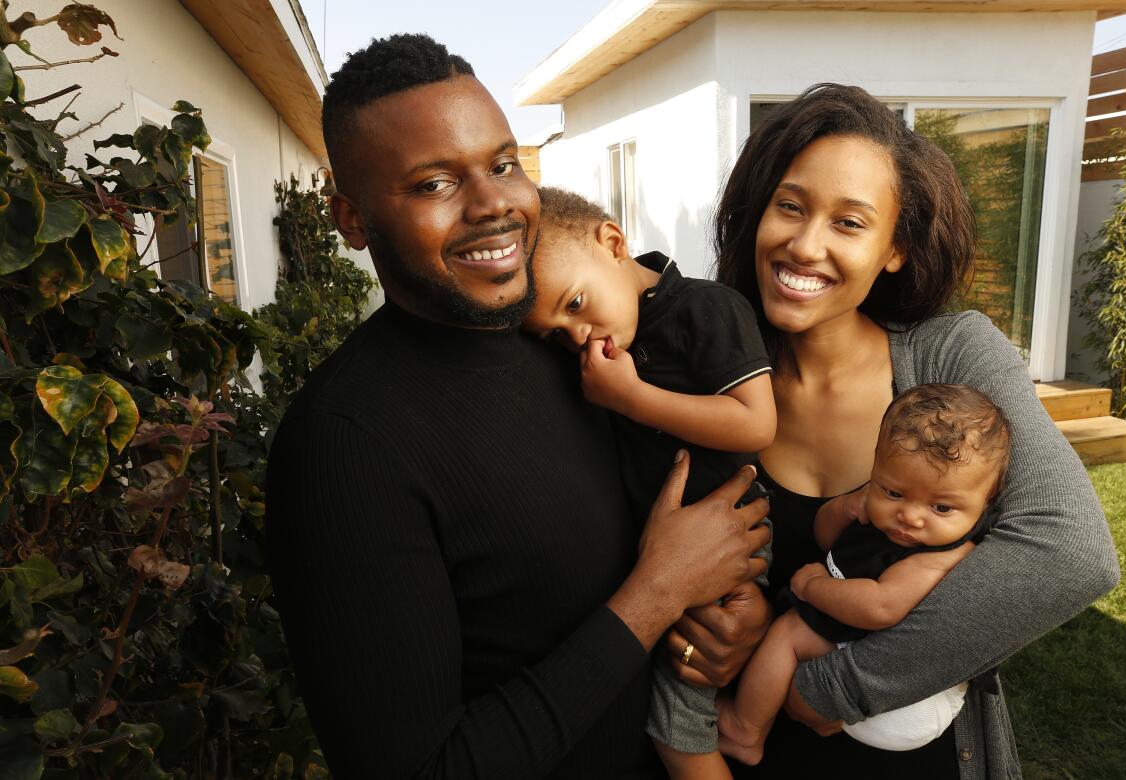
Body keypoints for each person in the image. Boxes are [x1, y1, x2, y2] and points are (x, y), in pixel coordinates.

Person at [264, 34, 771, 778]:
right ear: (352, 220)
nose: (493, 204)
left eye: (503, 165)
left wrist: (728, 616)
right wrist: (657, 596)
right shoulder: (344, 447)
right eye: (434, 184)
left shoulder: (565, 345)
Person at [698, 82, 1121, 777]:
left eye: (849, 222)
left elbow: (1069, 551)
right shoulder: (707, 382)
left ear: (895, 248)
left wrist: (837, 688)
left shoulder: (952, 354)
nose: (805, 245)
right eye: (791, 207)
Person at [522, 187, 775, 778]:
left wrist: (634, 398)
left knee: (674, 711)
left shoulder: (706, 309)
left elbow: (756, 422)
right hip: (670, 549)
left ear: (613, 243)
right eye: (555, 333)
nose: (577, 335)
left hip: (729, 530)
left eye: (576, 303)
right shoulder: (602, 351)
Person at [718, 384, 1011, 767]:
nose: (911, 516)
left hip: (905, 695)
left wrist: (812, 586)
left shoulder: (946, 555)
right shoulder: (891, 505)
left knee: (788, 634)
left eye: (941, 506)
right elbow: (828, 539)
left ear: (986, 500)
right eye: (893, 492)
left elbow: (879, 608)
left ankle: (745, 730)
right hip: (868, 656)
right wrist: (844, 508)